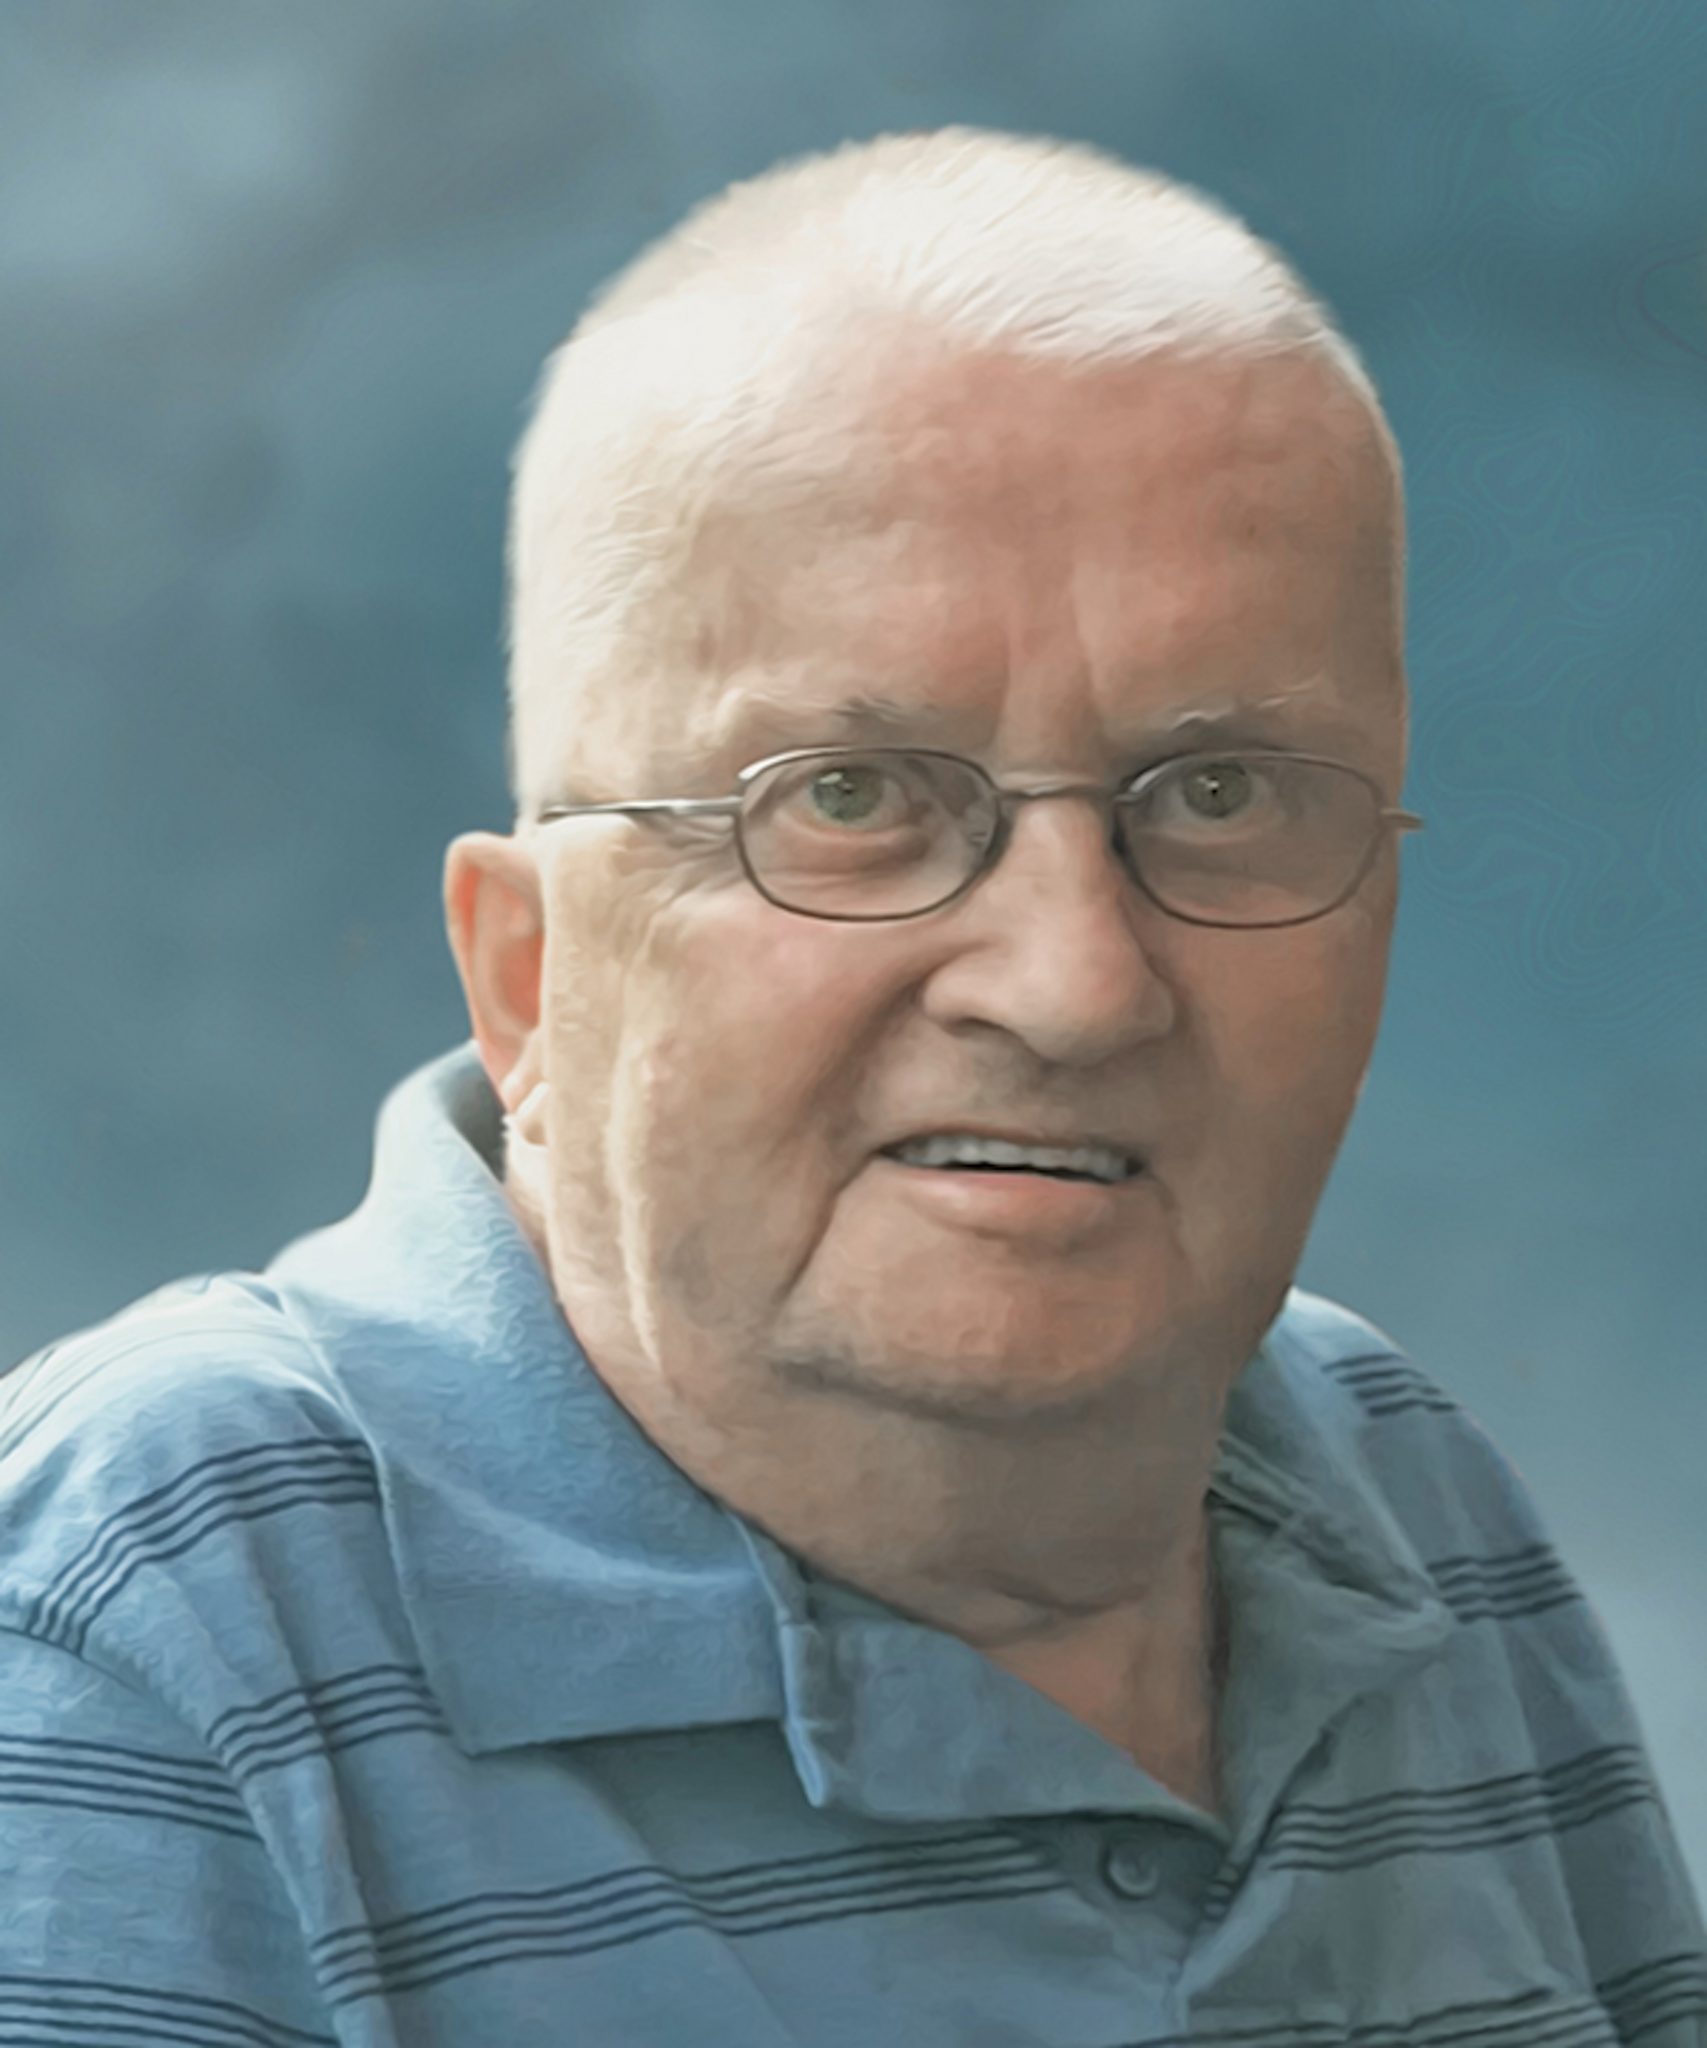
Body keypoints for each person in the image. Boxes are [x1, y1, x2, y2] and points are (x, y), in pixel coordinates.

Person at [2, 126, 1702, 2048]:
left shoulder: (1399, 1490)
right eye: (851, 797)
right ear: (529, 973)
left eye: (1222, 796)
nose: (1074, 986)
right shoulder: (144, 1613)